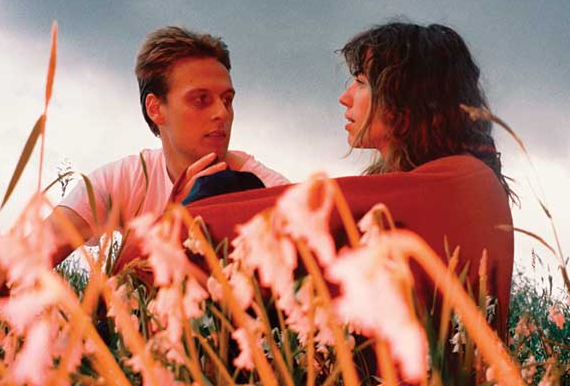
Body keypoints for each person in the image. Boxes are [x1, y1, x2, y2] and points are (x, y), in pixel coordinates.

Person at [182, 22, 515, 338]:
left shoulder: (461, 183)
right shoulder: (447, 180)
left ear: (406, 97)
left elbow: (325, 213)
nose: (345, 97)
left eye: (361, 82)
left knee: (219, 198)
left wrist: (185, 219)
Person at [49, 26, 289, 267]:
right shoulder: (124, 179)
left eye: (227, 100)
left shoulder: (267, 187)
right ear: (155, 109)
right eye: (201, 99)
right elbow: (32, 255)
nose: (222, 113)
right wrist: (174, 216)